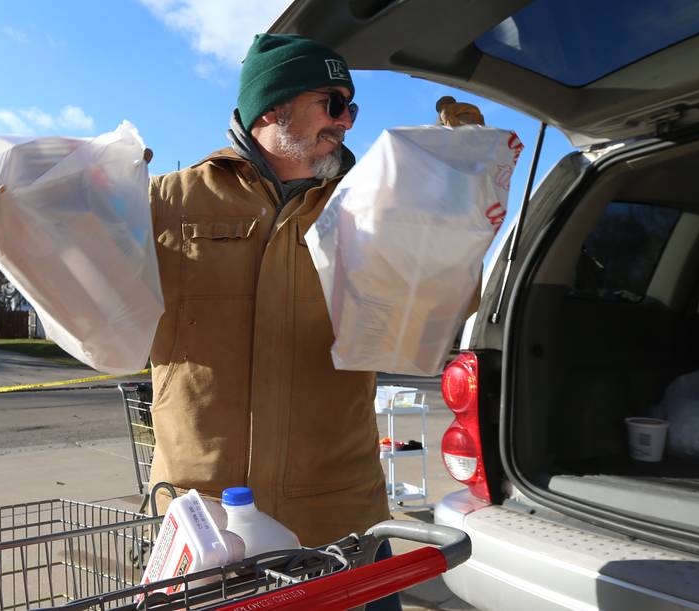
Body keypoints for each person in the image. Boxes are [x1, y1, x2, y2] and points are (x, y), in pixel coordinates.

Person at [147, 32, 482, 608]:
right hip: (206, 525)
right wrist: (93, 207)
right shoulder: (167, 202)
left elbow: (444, 303)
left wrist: (456, 196)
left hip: (342, 519)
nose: (346, 121)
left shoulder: (367, 205)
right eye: (332, 103)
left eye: (351, 107)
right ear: (273, 108)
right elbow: (92, 308)